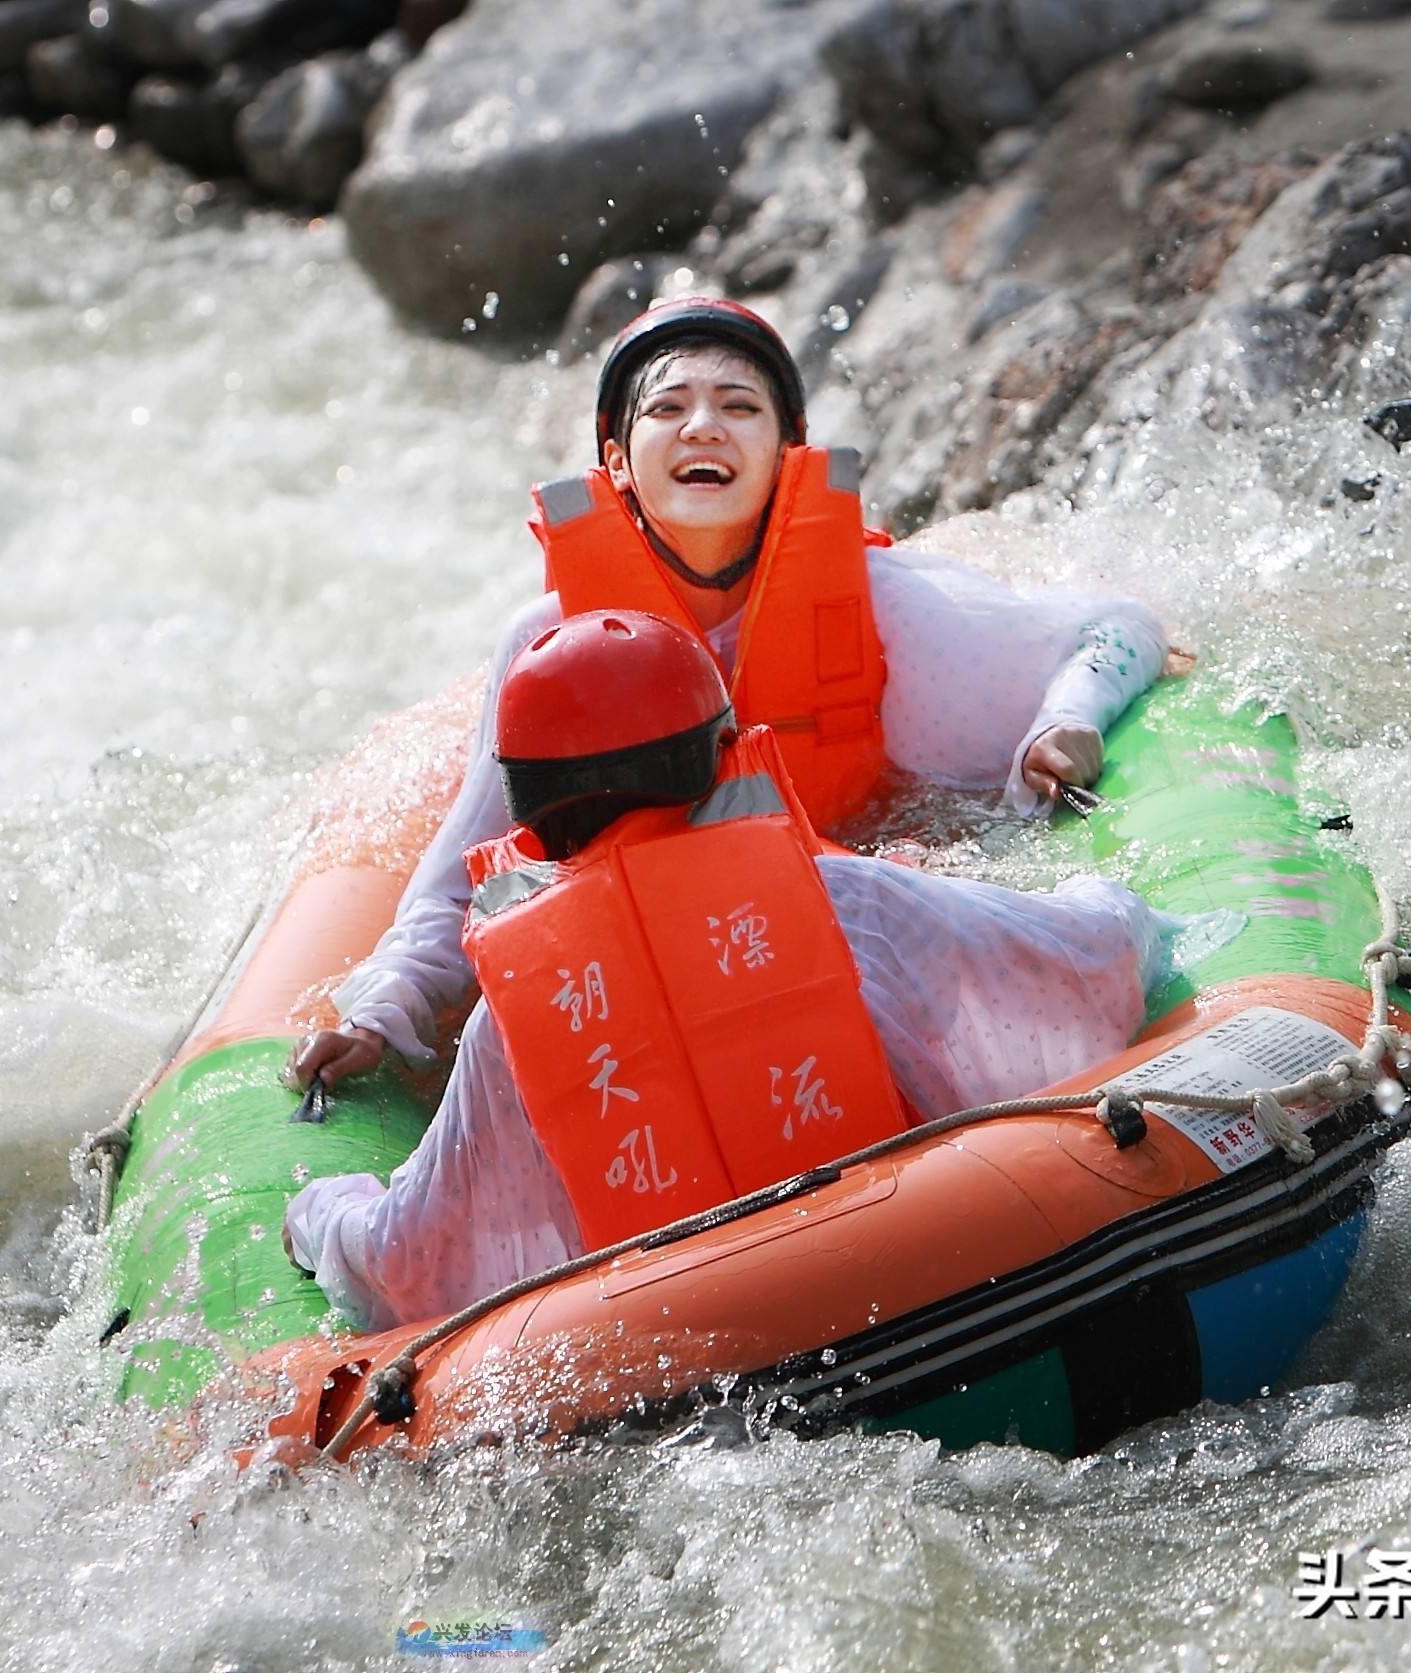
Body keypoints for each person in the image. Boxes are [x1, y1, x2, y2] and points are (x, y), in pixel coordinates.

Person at [293, 298, 1171, 1092]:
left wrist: (1067, 719)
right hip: (654, 967)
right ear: (617, 462)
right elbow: (462, 881)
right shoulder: (550, 648)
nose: (703, 427)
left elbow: (1117, 628)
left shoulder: (878, 604)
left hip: (849, 912)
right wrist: (380, 1013)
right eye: (667, 409)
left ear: (786, 456)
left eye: (740, 407)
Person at [285, 612, 1176, 1332]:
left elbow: (410, 1260)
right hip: (948, 1281)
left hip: (686, 1365)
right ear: (720, 755)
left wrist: (320, 1214)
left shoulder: (508, 1020)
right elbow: (1092, 962)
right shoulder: (845, 897)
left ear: (528, 815)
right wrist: (1115, 899)